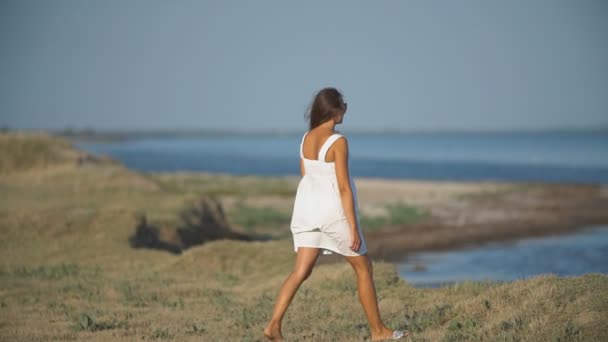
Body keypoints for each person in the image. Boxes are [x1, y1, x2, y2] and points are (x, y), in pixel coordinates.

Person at [263, 87, 409, 341]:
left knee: (301, 271)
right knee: (363, 268)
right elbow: (343, 186)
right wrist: (352, 226)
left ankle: (273, 325)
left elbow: (306, 177)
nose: (346, 111)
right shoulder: (338, 142)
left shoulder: (306, 139)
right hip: (332, 213)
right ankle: (378, 332)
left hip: (307, 211)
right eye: (344, 106)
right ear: (335, 109)